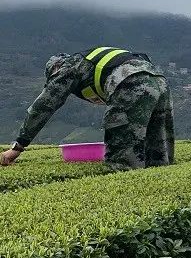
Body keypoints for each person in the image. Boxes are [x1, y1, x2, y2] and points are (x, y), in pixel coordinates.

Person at [0, 48, 174, 170]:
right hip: (159, 81)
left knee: (122, 160)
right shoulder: (88, 62)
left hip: (129, 81)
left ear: (55, 69)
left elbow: (43, 106)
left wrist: (18, 146)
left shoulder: (67, 67)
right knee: (157, 153)